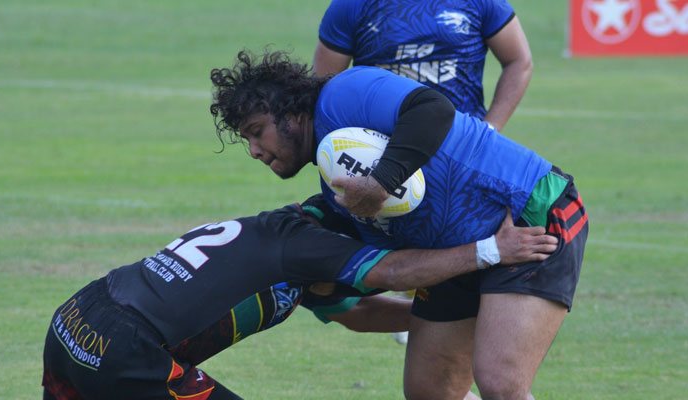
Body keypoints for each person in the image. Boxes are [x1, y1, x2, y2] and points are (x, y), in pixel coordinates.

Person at [209, 50, 588, 400]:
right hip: (464, 255)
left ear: (289, 112)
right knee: (429, 390)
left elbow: (432, 109)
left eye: (257, 131)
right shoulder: (334, 184)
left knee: (500, 383)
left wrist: (381, 183)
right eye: (247, 141)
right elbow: (370, 298)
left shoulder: (343, 93)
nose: (255, 150)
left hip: (527, 211)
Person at [42, 199, 557, 400]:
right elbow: (396, 270)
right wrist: (490, 251)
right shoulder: (309, 247)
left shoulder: (290, 256)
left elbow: (358, 314)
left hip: (73, 320)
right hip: (123, 343)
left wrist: (452, 324)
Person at [312, 0, 533, 132]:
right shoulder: (353, 5)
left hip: (463, 148)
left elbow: (518, 61)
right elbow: (323, 86)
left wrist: (489, 130)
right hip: (380, 151)